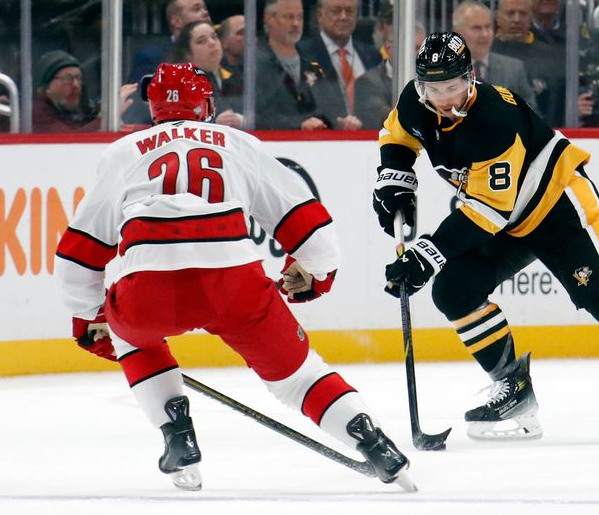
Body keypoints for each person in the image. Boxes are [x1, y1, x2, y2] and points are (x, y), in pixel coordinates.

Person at [54, 62, 414, 492]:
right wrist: (315, 273)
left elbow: (79, 251)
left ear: (153, 108)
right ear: (206, 102)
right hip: (234, 284)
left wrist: (88, 317)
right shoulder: (238, 143)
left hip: (148, 287)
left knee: (129, 333)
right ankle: (370, 438)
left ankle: (177, 435)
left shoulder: (122, 152)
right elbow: (310, 226)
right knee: (298, 377)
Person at [373, 32, 599, 442]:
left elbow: (486, 211)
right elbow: (397, 134)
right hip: (507, 220)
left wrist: (427, 254)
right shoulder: (414, 100)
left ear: (471, 78)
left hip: (558, 209)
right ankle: (513, 387)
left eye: (453, 86)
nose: (443, 97)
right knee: (455, 290)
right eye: (434, 88)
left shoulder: (493, 117)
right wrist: (395, 178)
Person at [297, 0, 381, 129]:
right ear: (319, 15)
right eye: (336, 11)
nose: (343, 17)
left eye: (349, 11)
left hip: (371, 139)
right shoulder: (302, 53)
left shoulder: (373, 55)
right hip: (325, 141)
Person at [124, 0, 212, 126]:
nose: (205, 12)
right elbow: (137, 105)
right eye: (196, 9)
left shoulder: (215, 54)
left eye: (205, 8)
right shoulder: (151, 57)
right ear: (176, 21)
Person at [254, 0, 336, 130]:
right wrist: (298, 124)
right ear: (269, 19)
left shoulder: (312, 64)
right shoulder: (255, 64)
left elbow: (330, 106)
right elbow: (256, 115)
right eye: (289, 17)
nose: (296, 23)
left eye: (300, 17)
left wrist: (340, 120)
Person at [493, 0, 566, 128]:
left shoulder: (552, 56)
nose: (516, 19)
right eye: (510, 13)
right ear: (497, 16)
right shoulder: (485, 53)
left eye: (523, 14)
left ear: (531, 16)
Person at [452, 1, 537, 111]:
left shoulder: (514, 69)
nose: (484, 34)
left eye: (487, 27)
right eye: (476, 28)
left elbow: (532, 114)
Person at [32, 50, 137, 133]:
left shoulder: (73, 107)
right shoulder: (38, 112)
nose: (76, 85)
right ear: (47, 87)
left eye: (78, 78)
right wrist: (106, 117)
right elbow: (70, 141)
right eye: (67, 79)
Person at [354, 12, 425, 131]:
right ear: (388, 48)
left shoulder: (436, 79)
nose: (420, 54)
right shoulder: (368, 82)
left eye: (423, 48)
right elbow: (385, 119)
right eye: (413, 48)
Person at [171, 20, 243, 128]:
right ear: (187, 54)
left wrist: (244, 120)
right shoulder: (178, 84)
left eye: (214, 37)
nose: (212, 43)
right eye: (201, 41)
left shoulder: (236, 76)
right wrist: (212, 123)